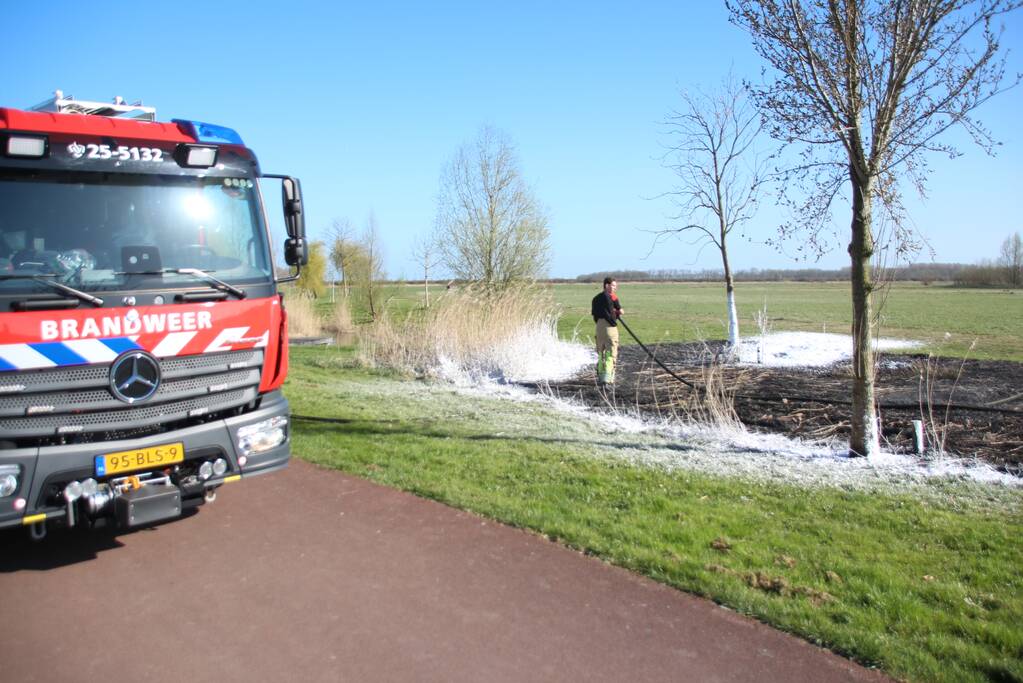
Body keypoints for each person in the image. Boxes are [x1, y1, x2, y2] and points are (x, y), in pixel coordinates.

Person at [591, 277, 623, 385]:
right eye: (613, 285)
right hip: (609, 328)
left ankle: (600, 376)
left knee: (601, 353)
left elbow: (594, 316)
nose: (615, 288)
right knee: (610, 353)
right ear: (606, 285)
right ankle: (608, 379)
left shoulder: (595, 298)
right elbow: (611, 314)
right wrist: (618, 313)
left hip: (599, 327)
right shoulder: (609, 298)